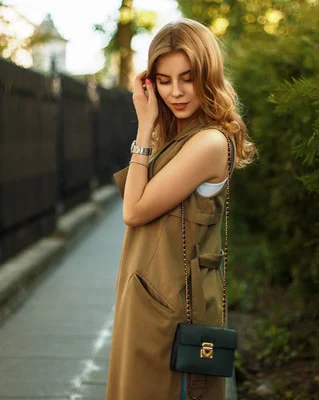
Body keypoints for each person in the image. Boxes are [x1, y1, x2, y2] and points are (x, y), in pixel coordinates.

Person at [105, 18, 255, 400]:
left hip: (174, 313)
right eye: (165, 80)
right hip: (148, 301)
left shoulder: (208, 142)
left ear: (208, 74)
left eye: (187, 78)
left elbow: (134, 210)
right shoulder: (179, 136)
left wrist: (143, 129)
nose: (176, 92)